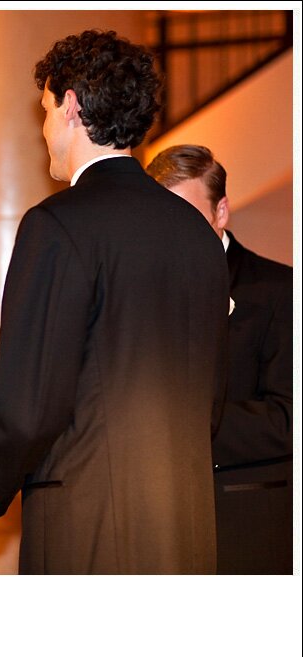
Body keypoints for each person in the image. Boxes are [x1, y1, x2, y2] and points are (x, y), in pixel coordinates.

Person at [0, 30, 230, 574]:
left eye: (43, 110)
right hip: (187, 523)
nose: (42, 131)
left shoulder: (58, 224)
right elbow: (211, 393)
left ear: (70, 105)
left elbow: (30, 401)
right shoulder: (196, 231)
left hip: (90, 521)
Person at [146, 144, 292, 574]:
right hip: (153, 521)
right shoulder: (137, 292)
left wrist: (177, 425)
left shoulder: (279, 289)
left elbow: (288, 417)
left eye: (188, 215)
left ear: (221, 211)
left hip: (242, 517)